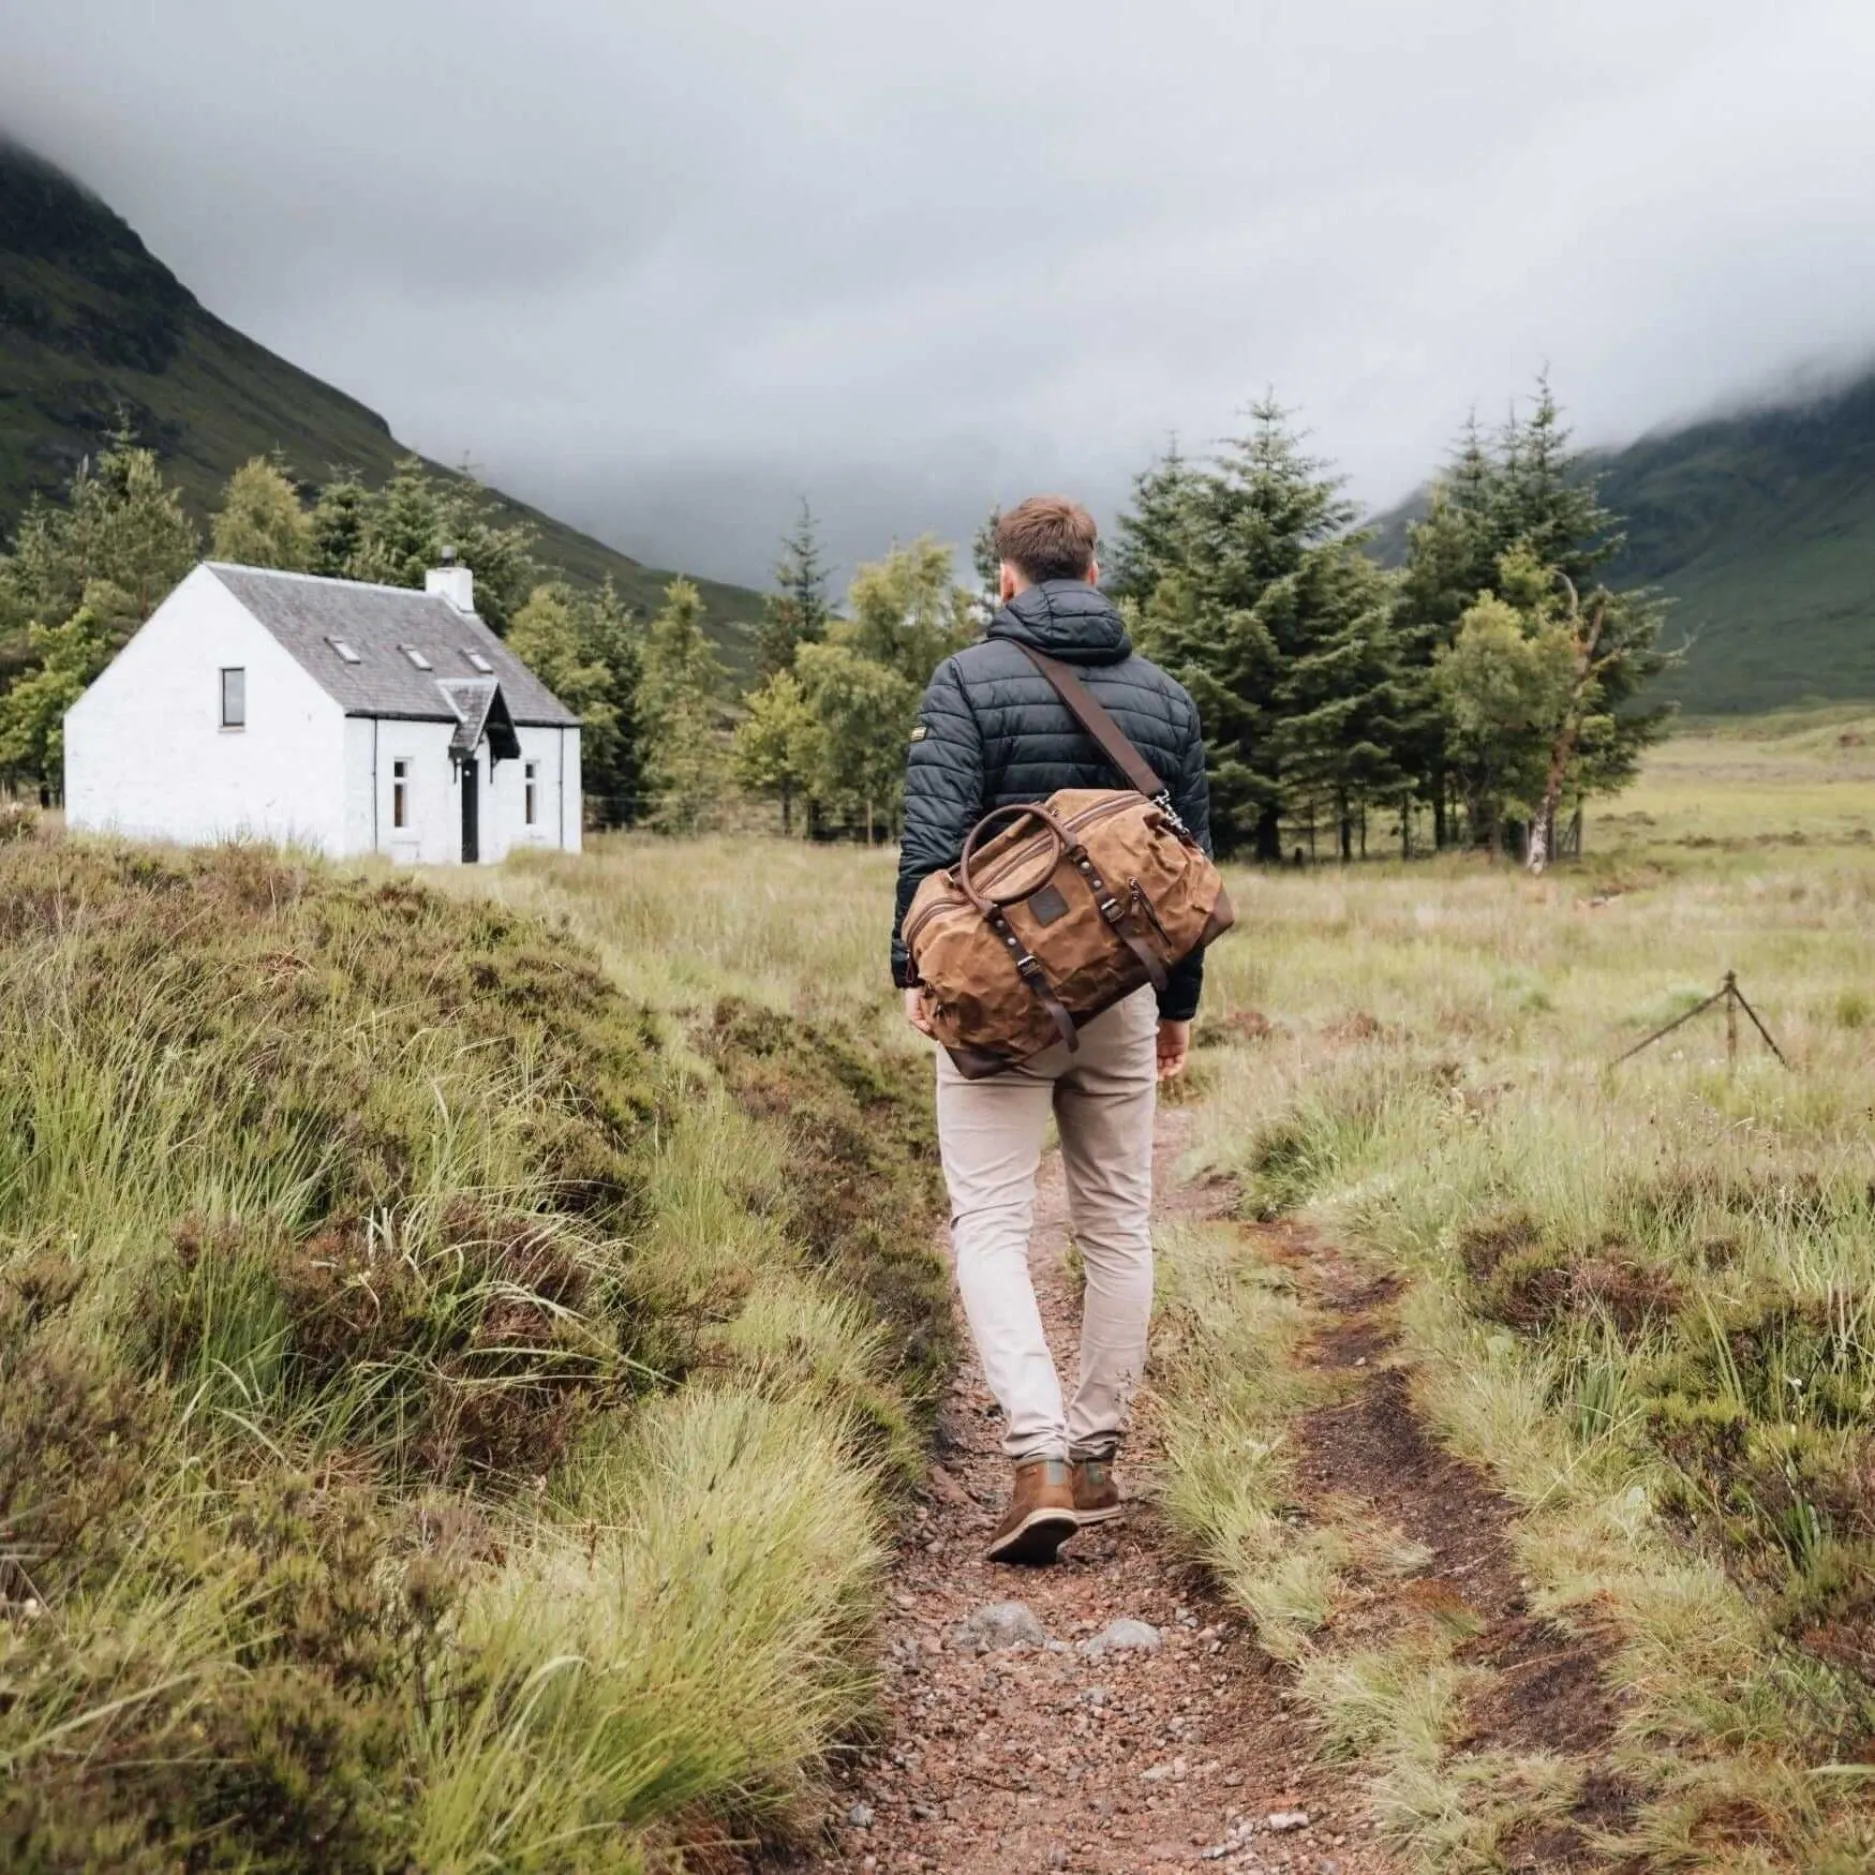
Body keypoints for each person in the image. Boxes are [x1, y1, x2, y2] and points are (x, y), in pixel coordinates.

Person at [891, 495, 1213, 1565]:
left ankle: (1035, 1460)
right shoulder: (1164, 699)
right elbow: (1186, 877)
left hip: (995, 1006)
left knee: (988, 1224)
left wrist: (912, 970)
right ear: (1096, 569)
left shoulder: (967, 684)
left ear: (1009, 579)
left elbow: (931, 846)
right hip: (1120, 996)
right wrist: (1177, 1008)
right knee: (1116, 1225)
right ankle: (1099, 1453)